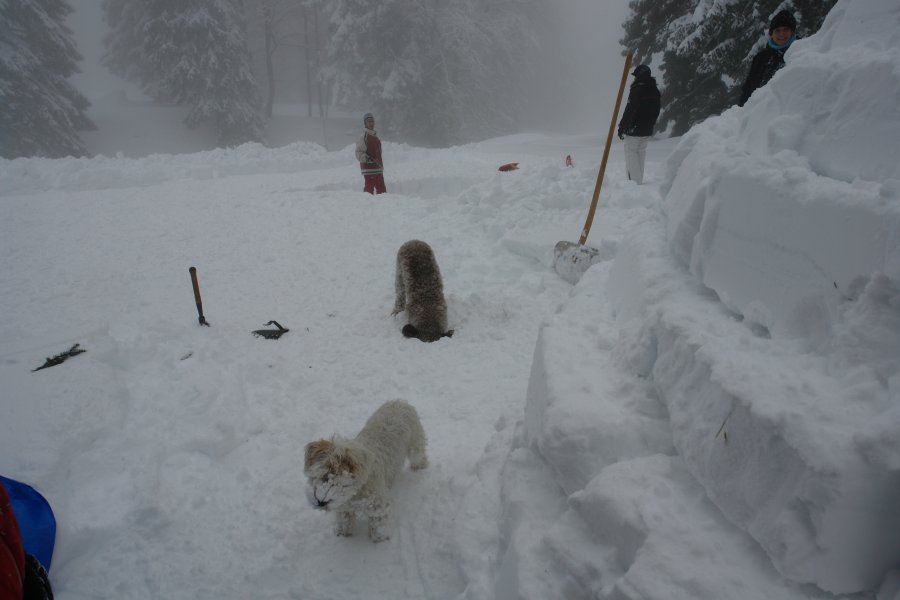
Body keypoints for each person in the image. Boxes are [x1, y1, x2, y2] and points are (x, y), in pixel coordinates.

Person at [738, 10, 797, 107]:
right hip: (759, 112)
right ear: (771, 33)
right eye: (777, 30)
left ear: (792, 31)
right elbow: (748, 89)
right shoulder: (761, 58)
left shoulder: (801, 52)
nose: (781, 34)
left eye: (786, 29)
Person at [617, 64, 661, 185]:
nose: (634, 78)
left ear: (640, 76)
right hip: (646, 130)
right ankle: (639, 182)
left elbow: (630, 108)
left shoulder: (637, 89)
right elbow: (657, 111)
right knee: (640, 152)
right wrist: (650, 124)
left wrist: (622, 127)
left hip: (634, 129)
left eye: (636, 76)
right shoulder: (655, 91)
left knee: (631, 153)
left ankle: (634, 185)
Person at [355, 112, 386, 194]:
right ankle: (367, 205)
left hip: (378, 169)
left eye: (372, 121)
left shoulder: (375, 137)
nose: (371, 123)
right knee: (369, 191)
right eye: (368, 122)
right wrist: (366, 158)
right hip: (369, 169)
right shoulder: (363, 137)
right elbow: (358, 152)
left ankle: (383, 206)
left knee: (382, 191)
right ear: (365, 123)